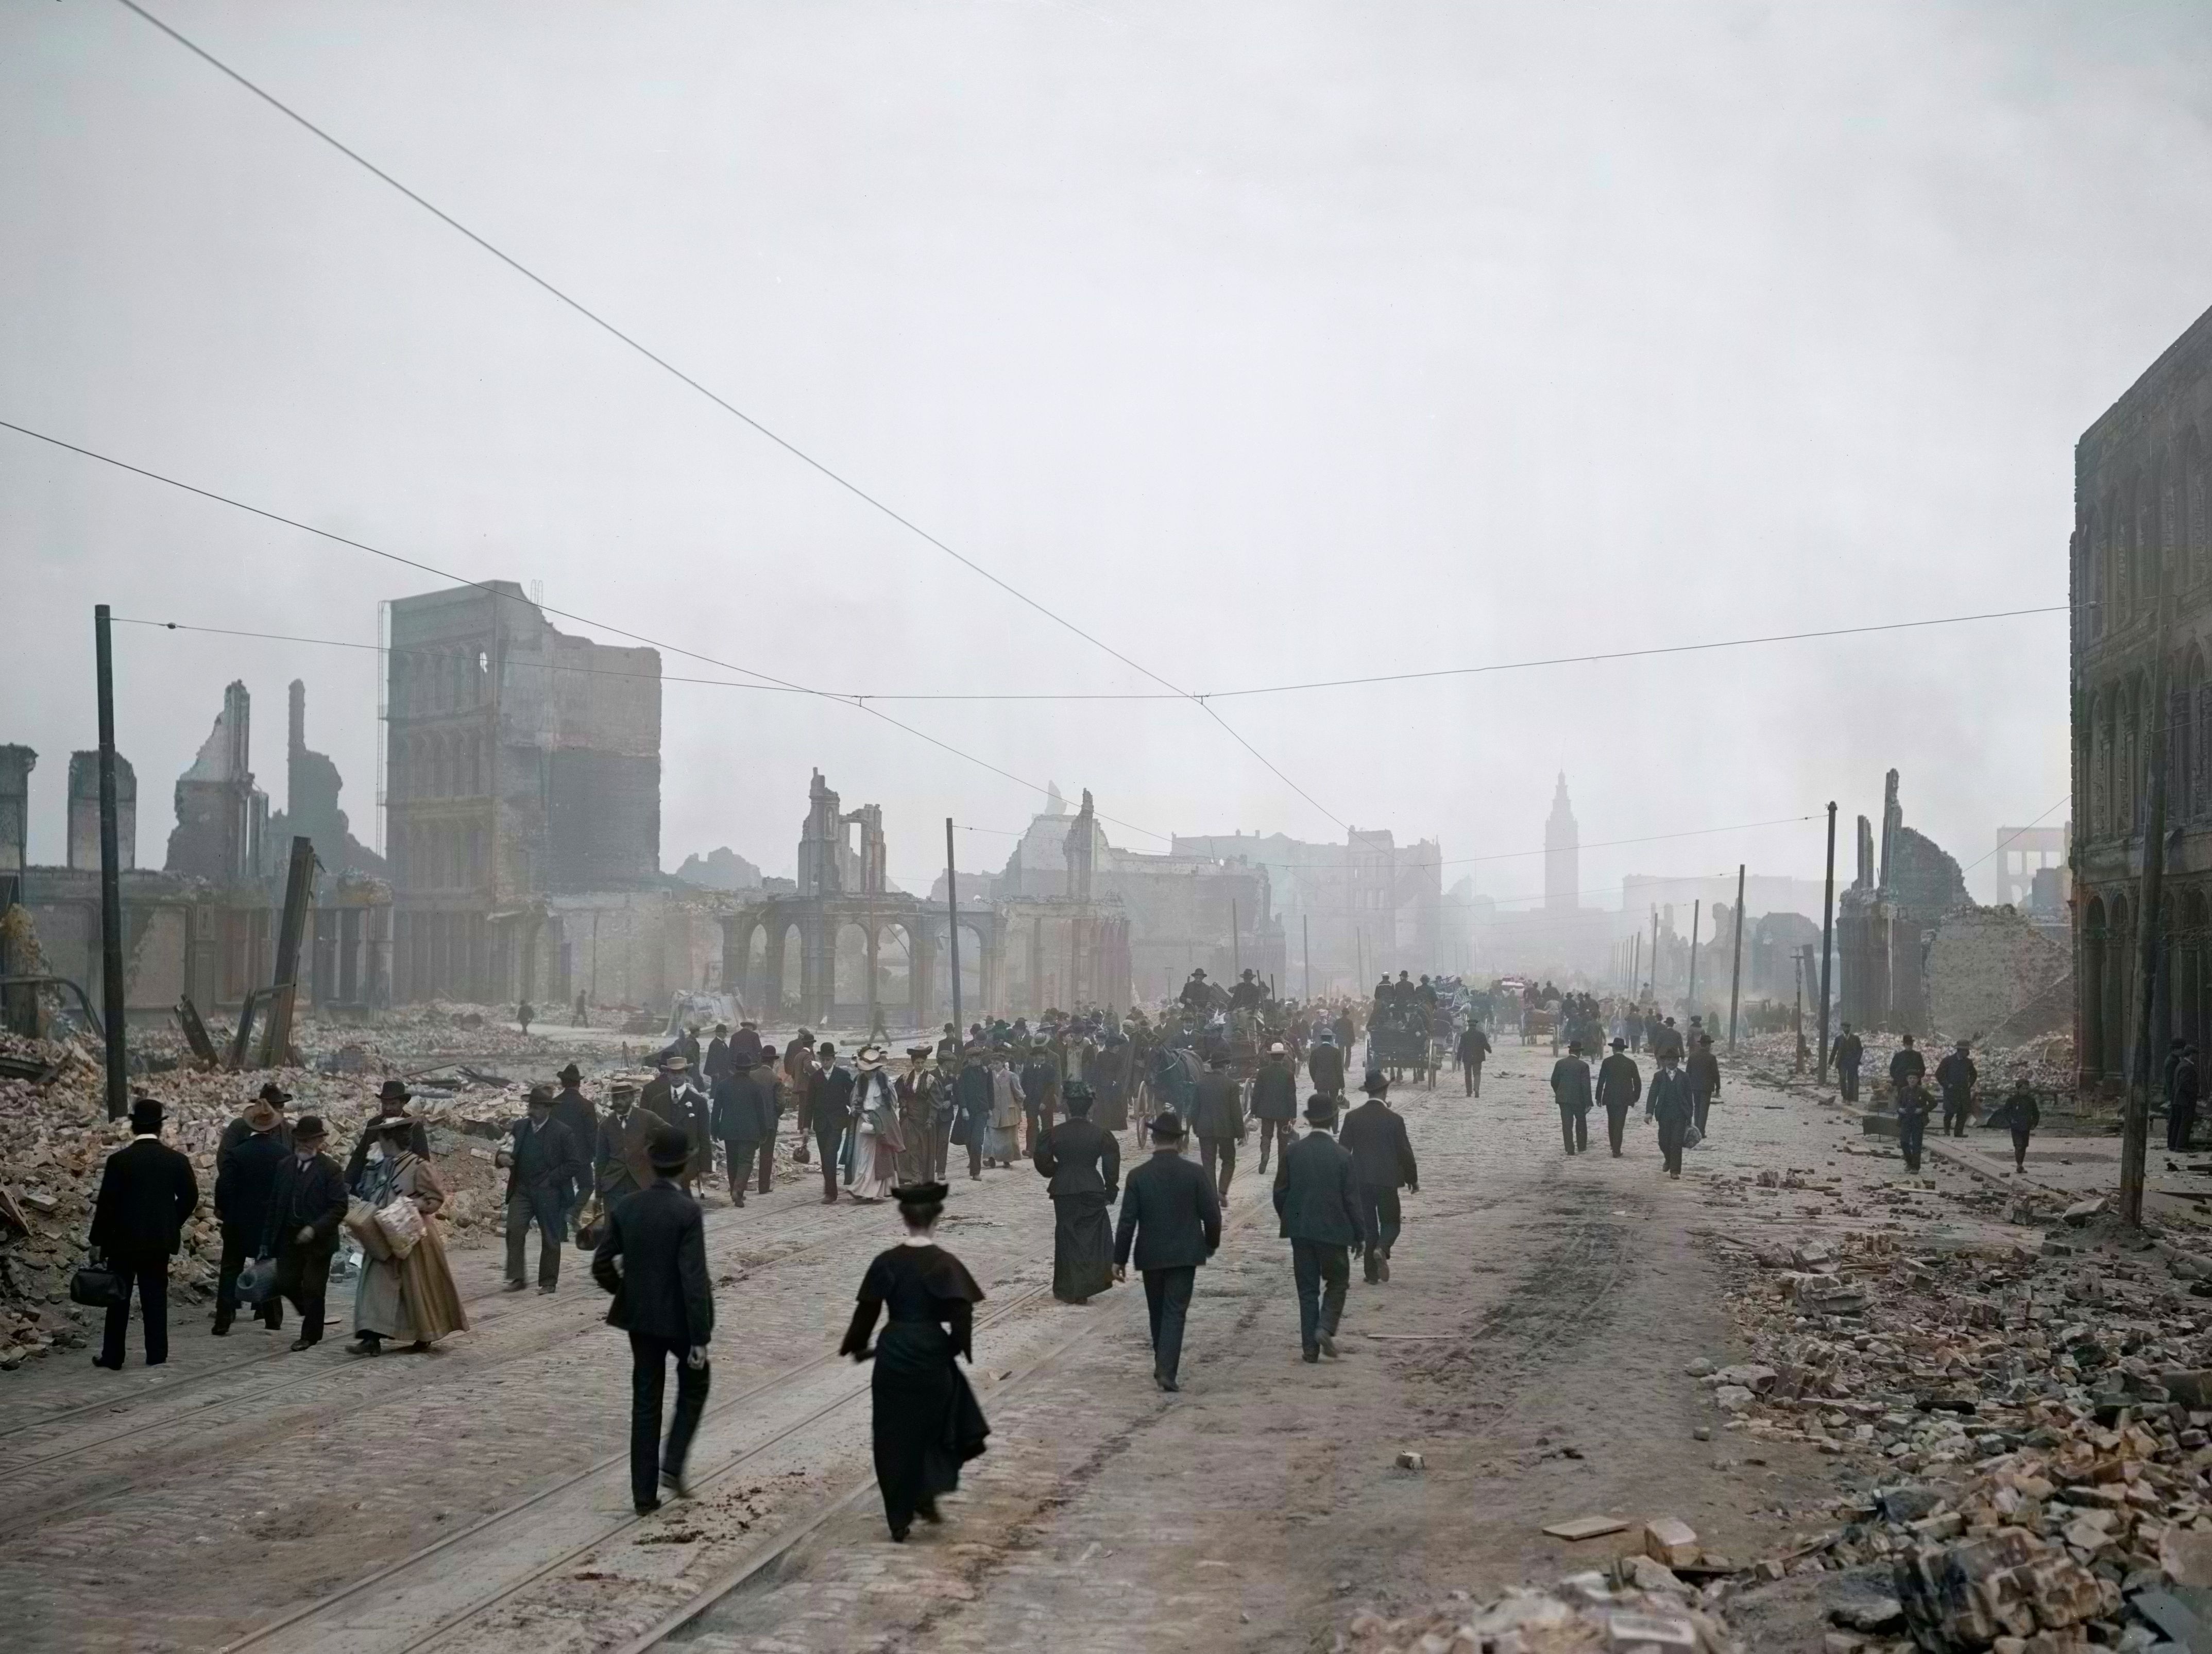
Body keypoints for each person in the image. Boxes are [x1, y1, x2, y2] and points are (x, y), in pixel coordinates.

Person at [839, 1182, 990, 1541]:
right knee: (935, 1428)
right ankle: (927, 1492)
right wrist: (954, 1347)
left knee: (892, 1433)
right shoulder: (945, 1263)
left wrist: (858, 1346)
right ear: (937, 1218)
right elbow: (961, 1311)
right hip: (931, 1353)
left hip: (893, 1355)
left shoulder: (887, 1261)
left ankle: (898, 1514)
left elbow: (868, 1309)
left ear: (903, 1218)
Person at [593, 1126, 713, 1515]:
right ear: (684, 1166)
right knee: (696, 1383)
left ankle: (643, 1495)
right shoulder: (687, 1211)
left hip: (641, 1321)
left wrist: (627, 1293)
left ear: (652, 1163)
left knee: (645, 1402)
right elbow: (693, 1277)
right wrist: (700, 1337)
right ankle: (673, 1462)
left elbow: (601, 1264)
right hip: (679, 1319)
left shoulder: (627, 1206)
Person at [88, 1096, 199, 1369]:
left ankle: (113, 1356)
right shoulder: (176, 1160)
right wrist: (170, 1222)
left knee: (118, 1298)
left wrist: (97, 1241)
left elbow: (107, 1205)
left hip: (122, 1241)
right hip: (158, 1242)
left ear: (133, 1128)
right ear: (160, 1128)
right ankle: (157, 1355)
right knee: (155, 1297)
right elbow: (190, 1197)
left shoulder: (119, 1161)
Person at [1113, 1114, 1222, 1392]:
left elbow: (1127, 1222)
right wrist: (1211, 1244)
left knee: (1157, 1310)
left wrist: (1119, 1259)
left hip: (1150, 1255)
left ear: (1153, 1139)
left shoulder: (1138, 1176)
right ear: (1180, 1140)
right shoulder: (1196, 1174)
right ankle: (1166, 1369)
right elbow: (1212, 1216)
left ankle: (1162, 1362)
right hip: (1186, 1254)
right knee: (1176, 1311)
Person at [350, 1115, 468, 1355]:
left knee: (417, 1288)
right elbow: (368, 1192)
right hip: (381, 1233)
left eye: (381, 1138)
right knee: (374, 1284)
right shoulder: (380, 1164)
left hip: (412, 1235)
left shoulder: (419, 1166)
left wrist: (411, 1205)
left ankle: (424, 1334)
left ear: (390, 1139)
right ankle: (371, 1338)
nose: (379, 1143)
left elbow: (435, 1199)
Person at [1273, 1094, 1363, 1363]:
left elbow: (1280, 1193)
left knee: (1307, 1290)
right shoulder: (1343, 1156)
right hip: (1334, 1233)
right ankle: (1325, 1328)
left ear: (1309, 1121)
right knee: (1337, 1282)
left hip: (1300, 1232)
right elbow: (1352, 1200)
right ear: (1333, 1119)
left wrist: (1291, 1218)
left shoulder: (1293, 1152)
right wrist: (1360, 1236)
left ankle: (1309, 1350)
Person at [260, 1115, 349, 1350]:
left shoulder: (330, 1169)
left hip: (319, 1241)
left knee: (313, 1288)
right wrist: (266, 1240)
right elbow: (275, 1205)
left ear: (320, 1141)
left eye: (310, 1141)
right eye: (300, 1140)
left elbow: (340, 1206)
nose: (304, 1145)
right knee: (286, 1282)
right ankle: (312, 1312)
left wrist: (314, 1228)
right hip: (289, 1238)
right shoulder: (284, 1166)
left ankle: (310, 1335)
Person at [1033, 1080, 1121, 1304]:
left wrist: (1056, 1170)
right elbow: (1111, 1167)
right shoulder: (1101, 1135)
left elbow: (1042, 1163)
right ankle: (1086, 1285)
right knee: (1091, 1238)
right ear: (1090, 1107)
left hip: (1064, 1190)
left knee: (1067, 1236)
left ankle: (1068, 1287)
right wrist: (1111, 1189)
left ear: (1068, 1107)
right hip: (1092, 1188)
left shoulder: (1053, 1134)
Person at [213, 1089, 289, 1335]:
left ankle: (223, 1320)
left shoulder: (236, 1154)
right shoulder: (284, 1155)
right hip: (269, 1224)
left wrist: (226, 1211)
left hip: (237, 1221)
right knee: (268, 1267)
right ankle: (273, 1318)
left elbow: (223, 1186)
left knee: (230, 1267)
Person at [1338, 1070, 1418, 1284]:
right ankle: (1383, 1248)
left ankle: (1371, 1275)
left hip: (1360, 1180)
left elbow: (1343, 1152)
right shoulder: (1395, 1120)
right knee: (1391, 1222)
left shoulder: (1352, 1117)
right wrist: (1413, 1179)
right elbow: (1405, 1153)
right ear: (1385, 1091)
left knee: (1368, 1226)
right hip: (1387, 1180)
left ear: (1368, 1093)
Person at [502, 1086, 584, 1292]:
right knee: (514, 1228)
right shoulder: (520, 1127)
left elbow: (574, 1163)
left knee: (550, 1236)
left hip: (549, 1192)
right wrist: (500, 1157)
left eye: (537, 1107)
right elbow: (506, 1148)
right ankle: (517, 1277)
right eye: (531, 1106)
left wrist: (551, 1179)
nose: (531, 1111)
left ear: (548, 1109)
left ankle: (548, 1282)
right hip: (522, 1189)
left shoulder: (563, 1132)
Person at [594, 1080, 667, 1214]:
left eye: (624, 1097)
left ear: (632, 1098)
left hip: (641, 1183)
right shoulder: (605, 1125)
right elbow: (601, 1161)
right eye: (616, 1098)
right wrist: (598, 1194)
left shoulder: (647, 1117)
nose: (619, 1102)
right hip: (613, 1186)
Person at [346, 1079, 431, 1188]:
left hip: (402, 1185)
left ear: (403, 1103)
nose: (388, 1108)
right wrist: (347, 1180)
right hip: (373, 1183)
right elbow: (360, 1153)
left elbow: (423, 1161)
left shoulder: (414, 1126)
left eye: (393, 1104)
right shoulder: (374, 1123)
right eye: (385, 1103)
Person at [710, 1051, 767, 1207]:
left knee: (733, 1161)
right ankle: (738, 1190)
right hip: (750, 1131)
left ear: (735, 1068)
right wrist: (764, 1132)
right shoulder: (756, 1087)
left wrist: (714, 1131)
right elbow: (761, 1112)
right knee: (746, 1161)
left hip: (729, 1131)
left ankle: (735, 1192)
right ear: (749, 1069)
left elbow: (716, 1111)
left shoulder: (723, 1085)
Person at [847, 1047, 903, 1204]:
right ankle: (861, 1188)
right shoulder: (860, 1082)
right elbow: (855, 1100)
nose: (868, 1073)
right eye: (866, 1070)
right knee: (863, 1157)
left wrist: (877, 1117)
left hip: (879, 1124)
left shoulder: (885, 1083)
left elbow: (891, 1105)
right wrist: (862, 1113)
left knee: (878, 1158)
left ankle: (873, 1190)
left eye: (871, 1070)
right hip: (863, 1122)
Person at [1192, 1051, 1246, 1200]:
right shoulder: (1231, 1085)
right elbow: (1236, 1112)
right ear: (1225, 1067)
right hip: (1226, 1131)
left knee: (1208, 1164)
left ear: (1212, 1066)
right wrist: (1241, 1133)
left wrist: (1197, 1129)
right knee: (1229, 1161)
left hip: (1205, 1131)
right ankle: (1222, 1191)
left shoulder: (1200, 1084)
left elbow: (1194, 1111)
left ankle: (1211, 1195)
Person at [550, 1064, 599, 1224]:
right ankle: (574, 1212)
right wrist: (596, 1155)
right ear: (579, 1084)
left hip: (559, 1156)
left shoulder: (554, 1105)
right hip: (581, 1157)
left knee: (563, 1191)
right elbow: (592, 1134)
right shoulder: (587, 1106)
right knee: (587, 1186)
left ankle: (561, 1232)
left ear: (563, 1083)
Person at [807, 1043, 856, 1201]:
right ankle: (830, 1188)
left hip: (837, 1122)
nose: (825, 1062)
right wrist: (806, 1128)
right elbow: (809, 1104)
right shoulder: (815, 1078)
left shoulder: (842, 1075)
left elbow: (853, 1094)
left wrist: (853, 1109)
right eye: (823, 1060)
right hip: (821, 1124)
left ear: (834, 1059)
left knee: (830, 1154)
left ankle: (831, 1193)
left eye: (828, 1059)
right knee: (824, 1158)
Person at [895, 1046, 944, 1185]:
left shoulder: (930, 1080)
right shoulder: (905, 1078)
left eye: (922, 1063)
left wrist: (931, 1119)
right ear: (913, 1063)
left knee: (921, 1148)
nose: (920, 1065)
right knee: (908, 1145)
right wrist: (903, 1105)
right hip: (908, 1116)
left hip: (923, 1118)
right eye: (918, 1063)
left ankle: (919, 1176)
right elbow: (900, 1094)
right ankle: (907, 1175)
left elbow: (935, 1102)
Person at [1250, 1043, 1298, 1174]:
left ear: (1271, 1057)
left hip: (1266, 1112)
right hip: (1284, 1112)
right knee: (1283, 1139)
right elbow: (1291, 1096)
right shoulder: (1289, 1074)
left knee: (1266, 1135)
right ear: (1283, 1057)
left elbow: (1257, 1093)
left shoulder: (1263, 1073)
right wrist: (1293, 1114)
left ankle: (1265, 1155)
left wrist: (1253, 1111)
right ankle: (1281, 1166)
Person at [1648, 1051, 1693, 1179]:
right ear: (1664, 1061)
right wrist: (1649, 1112)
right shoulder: (1658, 1077)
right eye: (1669, 1059)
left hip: (1680, 1115)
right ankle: (1668, 1159)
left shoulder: (1685, 1077)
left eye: (1674, 1059)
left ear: (1678, 1062)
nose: (1671, 1062)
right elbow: (1653, 1095)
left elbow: (1690, 1098)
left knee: (1677, 1142)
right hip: (1664, 1114)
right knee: (1663, 1142)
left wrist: (1690, 1116)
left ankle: (1675, 1171)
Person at [1595, 1037, 1643, 1157]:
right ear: (1623, 1049)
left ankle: (1613, 1145)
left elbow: (1601, 1081)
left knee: (1612, 1121)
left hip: (1610, 1097)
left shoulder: (1607, 1062)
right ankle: (1616, 1149)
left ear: (1614, 1048)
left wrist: (1598, 1097)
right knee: (1620, 1123)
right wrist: (1635, 1097)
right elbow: (1638, 1082)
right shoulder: (1630, 1063)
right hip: (1625, 1098)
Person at [952, 1044, 993, 1181]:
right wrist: (963, 1108)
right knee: (969, 1141)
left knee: (976, 1141)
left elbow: (990, 1090)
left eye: (973, 1059)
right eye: (969, 1059)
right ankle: (974, 1162)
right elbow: (961, 1091)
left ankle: (976, 1172)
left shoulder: (986, 1072)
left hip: (982, 1110)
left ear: (979, 1059)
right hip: (968, 1112)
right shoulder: (965, 1072)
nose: (971, 1061)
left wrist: (991, 1108)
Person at [1549, 1041, 1594, 1155]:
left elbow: (1554, 1081)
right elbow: (1586, 1086)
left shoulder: (1560, 1063)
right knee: (1581, 1122)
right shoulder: (1584, 1066)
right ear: (1580, 1053)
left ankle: (1570, 1149)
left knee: (1567, 1124)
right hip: (1579, 1100)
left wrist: (1559, 1092)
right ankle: (1582, 1146)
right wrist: (1588, 1102)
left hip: (1563, 1099)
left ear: (1569, 1051)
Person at [984, 1047, 1023, 1170]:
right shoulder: (989, 1076)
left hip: (1009, 1111)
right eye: (993, 1063)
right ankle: (991, 1159)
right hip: (994, 1111)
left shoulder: (1011, 1076)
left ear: (1002, 1064)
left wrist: (1019, 1109)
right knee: (992, 1136)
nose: (995, 1066)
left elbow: (1019, 1094)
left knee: (1008, 1137)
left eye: (997, 1063)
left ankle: (1007, 1159)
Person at [1019, 1039, 1060, 1155]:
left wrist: (1045, 1102)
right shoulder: (1027, 1070)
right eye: (1040, 1055)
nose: (1042, 1058)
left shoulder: (1050, 1069)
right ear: (1035, 1057)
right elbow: (1024, 1086)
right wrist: (1024, 1101)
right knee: (1032, 1125)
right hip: (1031, 1102)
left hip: (1046, 1103)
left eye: (1043, 1055)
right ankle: (1031, 1149)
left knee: (1047, 1126)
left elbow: (1051, 1087)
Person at [1935, 1041, 1978, 1138]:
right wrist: (1947, 1085)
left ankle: (1959, 1132)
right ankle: (1947, 1129)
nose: (1967, 1053)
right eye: (1965, 1051)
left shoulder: (1968, 1062)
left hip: (1963, 1091)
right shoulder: (1948, 1061)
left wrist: (1969, 1083)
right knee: (1950, 1112)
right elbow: (1939, 1074)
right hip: (1951, 1091)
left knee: (1963, 1112)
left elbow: (1974, 1075)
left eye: (1967, 1051)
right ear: (1959, 1050)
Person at [1996, 1078, 2040, 1171]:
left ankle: (2021, 1164)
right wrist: (2011, 1120)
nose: (2025, 1091)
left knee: (2024, 1146)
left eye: (2027, 1089)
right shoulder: (2012, 1100)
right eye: (2023, 1089)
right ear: (2018, 1089)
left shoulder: (2031, 1100)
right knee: (2018, 1145)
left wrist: (2034, 1124)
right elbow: (2006, 1112)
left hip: (2026, 1126)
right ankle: (2019, 1165)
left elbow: (2036, 1113)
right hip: (2016, 1126)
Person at [1895, 1075, 1933, 1174]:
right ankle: (1909, 1162)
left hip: (1918, 1120)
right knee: (1904, 1142)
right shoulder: (1904, 1090)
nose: (1912, 1080)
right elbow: (1898, 1103)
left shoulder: (1922, 1091)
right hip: (1906, 1119)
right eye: (1910, 1078)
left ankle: (1916, 1167)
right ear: (1907, 1080)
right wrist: (1899, 1109)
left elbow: (1934, 1102)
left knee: (1917, 1144)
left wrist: (1922, 1110)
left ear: (1918, 1080)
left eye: (1915, 1078)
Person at [1687, 1034, 1722, 1137]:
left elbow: (1688, 1072)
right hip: (1707, 1088)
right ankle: (1701, 1131)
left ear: (1701, 1044)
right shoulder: (1711, 1058)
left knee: (1697, 1108)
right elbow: (1716, 1074)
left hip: (1695, 1086)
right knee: (1704, 1110)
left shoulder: (1692, 1056)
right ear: (1708, 1045)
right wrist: (1718, 1087)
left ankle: (1697, 1129)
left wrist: (1687, 1086)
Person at [2173, 1046, 2204, 1152]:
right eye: (2196, 1055)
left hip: (2183, 1099)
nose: (2197, 1057)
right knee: (2186, 1122)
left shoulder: (2182, 1065)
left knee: (2185, 1121)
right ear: (2191, 1054)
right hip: (2187, 1099)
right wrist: (2196, 1093)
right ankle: (2181, 1146)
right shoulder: (2187, 1067)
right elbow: (2184, 1084)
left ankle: (2182, 1145)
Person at [1456, 1021, 1492, 1098]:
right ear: (1476, 1026)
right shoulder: (1481, 1035)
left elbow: (1461, 1048)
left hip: (1467, 1058)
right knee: (1477, 1074)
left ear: (1469, 1026)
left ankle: (1469, 1092)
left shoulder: (1464, 1035)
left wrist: (1458, 1058)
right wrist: (1489, 1050)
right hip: (1478, 1058)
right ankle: (1477, 1088)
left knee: (1468, 1074)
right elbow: (1485, 1045)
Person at [1308, 1029, 1346, 1100]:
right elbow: (1339, 1070)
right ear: (1331, 1039)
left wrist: (1316, 1079)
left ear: (1321, 1038)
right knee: (1334, 1104)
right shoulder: (1336, 1052)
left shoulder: (1315, 1052)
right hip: (1334, 1082)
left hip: (1320, 1082)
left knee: (1323, 1104)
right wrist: (1342, 1085)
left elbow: (1312, 1068)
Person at [1831, 1024, 1864, 1102]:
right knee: (1842, 1078)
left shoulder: (1856, 1038)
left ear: (1850, 1028)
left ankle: (1849, 1098)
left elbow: (1860, 1050)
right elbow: (1834, 1051)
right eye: (1845, 1027)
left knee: (1851, 1080)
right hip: (1842, 1062)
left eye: (1848, 1027)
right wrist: (1830, 1063)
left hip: (1852, 1062)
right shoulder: (1838, 1039)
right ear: (1843, 1028)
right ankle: (1844, 1096)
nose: (1847, 1029)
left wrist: (1857, 1059)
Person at [1889, 1033, 1926, 1100]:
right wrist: (1898, 1080)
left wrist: (1917, 1078)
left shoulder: (1917, 1055)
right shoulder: (1898, 1056)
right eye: (1907, 1044)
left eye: (1911, 1044)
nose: (1909, 1046)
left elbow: (1922, 1069)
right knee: (1903, 1101)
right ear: (1904, 1045)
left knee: (1916, 1101)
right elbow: (1892, 1069)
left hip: (1915, 1083)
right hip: (1902, 1083)